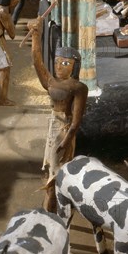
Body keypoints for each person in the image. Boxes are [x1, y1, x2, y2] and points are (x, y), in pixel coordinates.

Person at [27, 16, 88, 212]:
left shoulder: (78, 87)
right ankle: (52, 202)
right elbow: (37, 62)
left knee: (57, 171)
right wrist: (36, 35)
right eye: (58, 62)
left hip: (64, 129)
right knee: (51, 169)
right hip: (53, 125)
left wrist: (66, 140)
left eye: (66, 64)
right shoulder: (52, 82)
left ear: (74, 66)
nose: (60, 66)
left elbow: (76, 121)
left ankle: (53, 208)